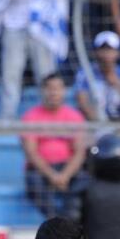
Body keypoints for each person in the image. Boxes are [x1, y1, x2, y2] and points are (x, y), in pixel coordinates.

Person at [21, 73, 88, 217]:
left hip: (66, 167)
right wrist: (53, 176)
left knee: (85, 181)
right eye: (49, 88)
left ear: (64, 91)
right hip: (40, 169)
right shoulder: (31, 116)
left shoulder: (74, 116)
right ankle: (55, 222)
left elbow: (79, 152)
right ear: (42, 91)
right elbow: (31, 153)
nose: (53, 92)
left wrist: (64, 175)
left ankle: (71, 221)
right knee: (34, 183)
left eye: (58, 88)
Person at [75, 30, 120, 122]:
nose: (106, 54)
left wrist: (119, 85)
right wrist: (101, 123)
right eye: (103, 49)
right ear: (96, 52)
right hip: (94, 123)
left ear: (118, 53)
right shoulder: (85, 73)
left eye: (110, 49)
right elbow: (83, 102)